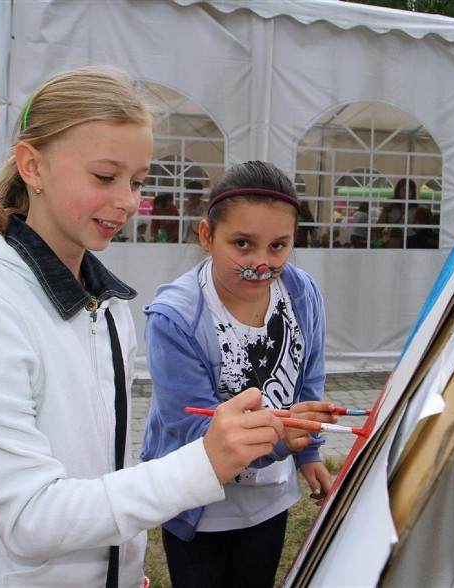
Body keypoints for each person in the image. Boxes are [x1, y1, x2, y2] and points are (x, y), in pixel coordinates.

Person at [0, 65, 290, 587]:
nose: (127, 201)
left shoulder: (108, 304)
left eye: (137, 180)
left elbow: (98, 473)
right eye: (104, 176)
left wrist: (120, 565)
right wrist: (204, 462)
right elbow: (30, 518)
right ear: (33, 166)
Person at [141, 160, 335, 588]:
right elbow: (192, 427)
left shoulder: (302, 293)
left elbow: (308, 379)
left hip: (268, 499)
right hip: (200, 505)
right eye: (243, 244)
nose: (262, 264)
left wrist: (308, 451)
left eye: (278, 246)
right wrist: (280, 438)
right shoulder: (174, 319)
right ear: (207, 236)